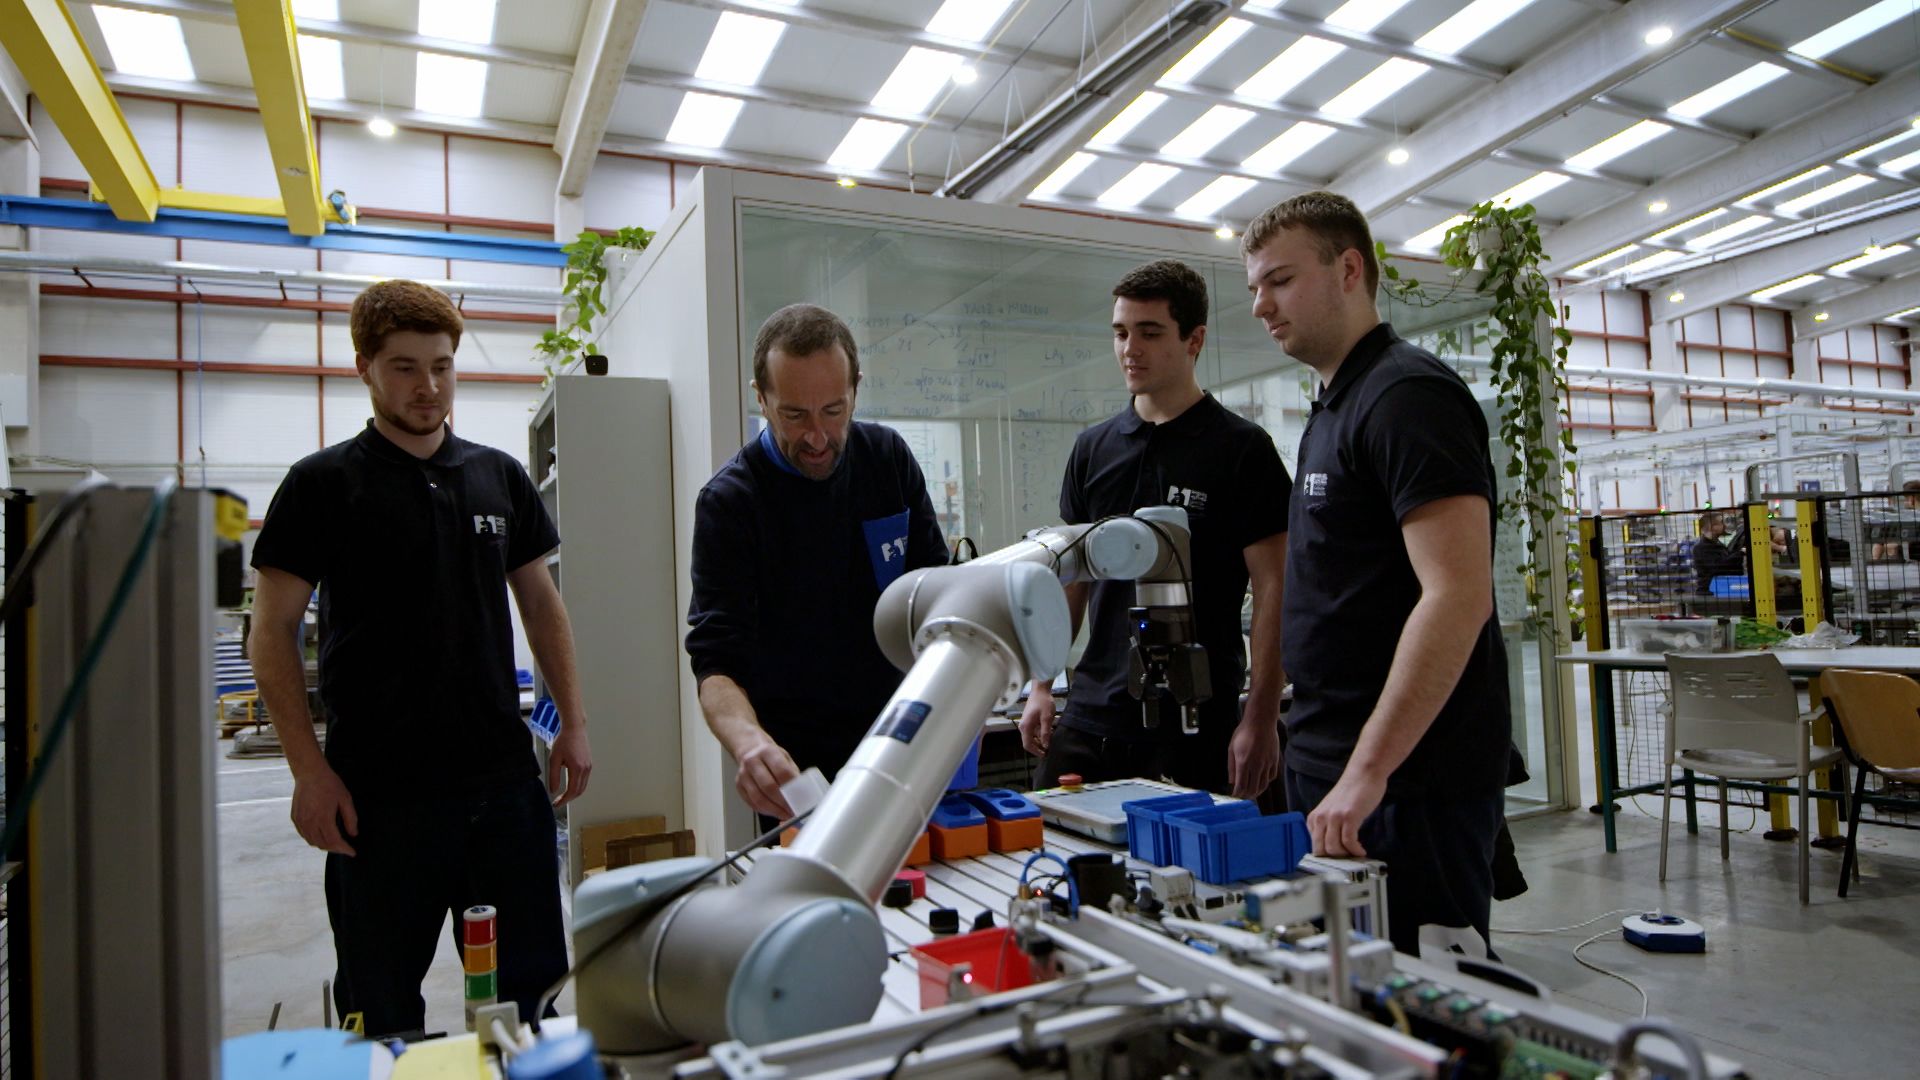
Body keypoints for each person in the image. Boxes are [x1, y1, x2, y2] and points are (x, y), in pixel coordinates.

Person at [249, 280, 592, 1035]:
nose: (428, 386)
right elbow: (271, 632)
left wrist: (572, 722)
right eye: (404, 367)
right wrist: (309, 770)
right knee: (380, 1010)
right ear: (364, 368)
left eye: (441, 366)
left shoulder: (498, 476)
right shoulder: (321, 485)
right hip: (377, 798)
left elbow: (542, 605)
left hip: (501, 787)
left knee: (530, 1001)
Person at [1243, 191, 1509, 957]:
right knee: (1346, 991)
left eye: (1280, 280)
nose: (1261, 306)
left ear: (1349, 270)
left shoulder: (1406, 396)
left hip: (1405, 782)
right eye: (1255, 287)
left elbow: (1457, 594)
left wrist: (1367, 773)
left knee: (1419, 1001)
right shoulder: (1335, 406)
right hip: (1334, 766)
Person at [1019, 260, 1291, 799]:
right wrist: (1041, 685)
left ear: (1194, 340)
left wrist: (1260, 718)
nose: (1130, 349)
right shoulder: (1093, 449)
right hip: (1094, 713)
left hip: (1198, 721)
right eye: (1121, 333)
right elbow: (1072, 580)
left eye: (1149, 332)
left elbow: (1275, 588)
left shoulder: (1242, 449)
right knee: (1049, 844)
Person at [687, 303, 947, 823]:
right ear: (761, 399)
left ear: (855, 390)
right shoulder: (731, 502)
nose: (817, 437)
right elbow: (716, 664)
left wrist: (959, 702)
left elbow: (938, 598)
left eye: (833, 410)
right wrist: (749, 742)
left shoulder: (888, 460)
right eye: (794, 415)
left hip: (902, 747)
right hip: (799, 773)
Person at [1691, 511, 1745, 593]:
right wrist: (1740, 553)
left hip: (1721, 588)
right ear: (1712, 527)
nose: (1724, 525)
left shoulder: (1717, 544)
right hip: (1709, 591)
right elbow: (1718, 567)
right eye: (1721, 523)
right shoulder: (1701, 547)